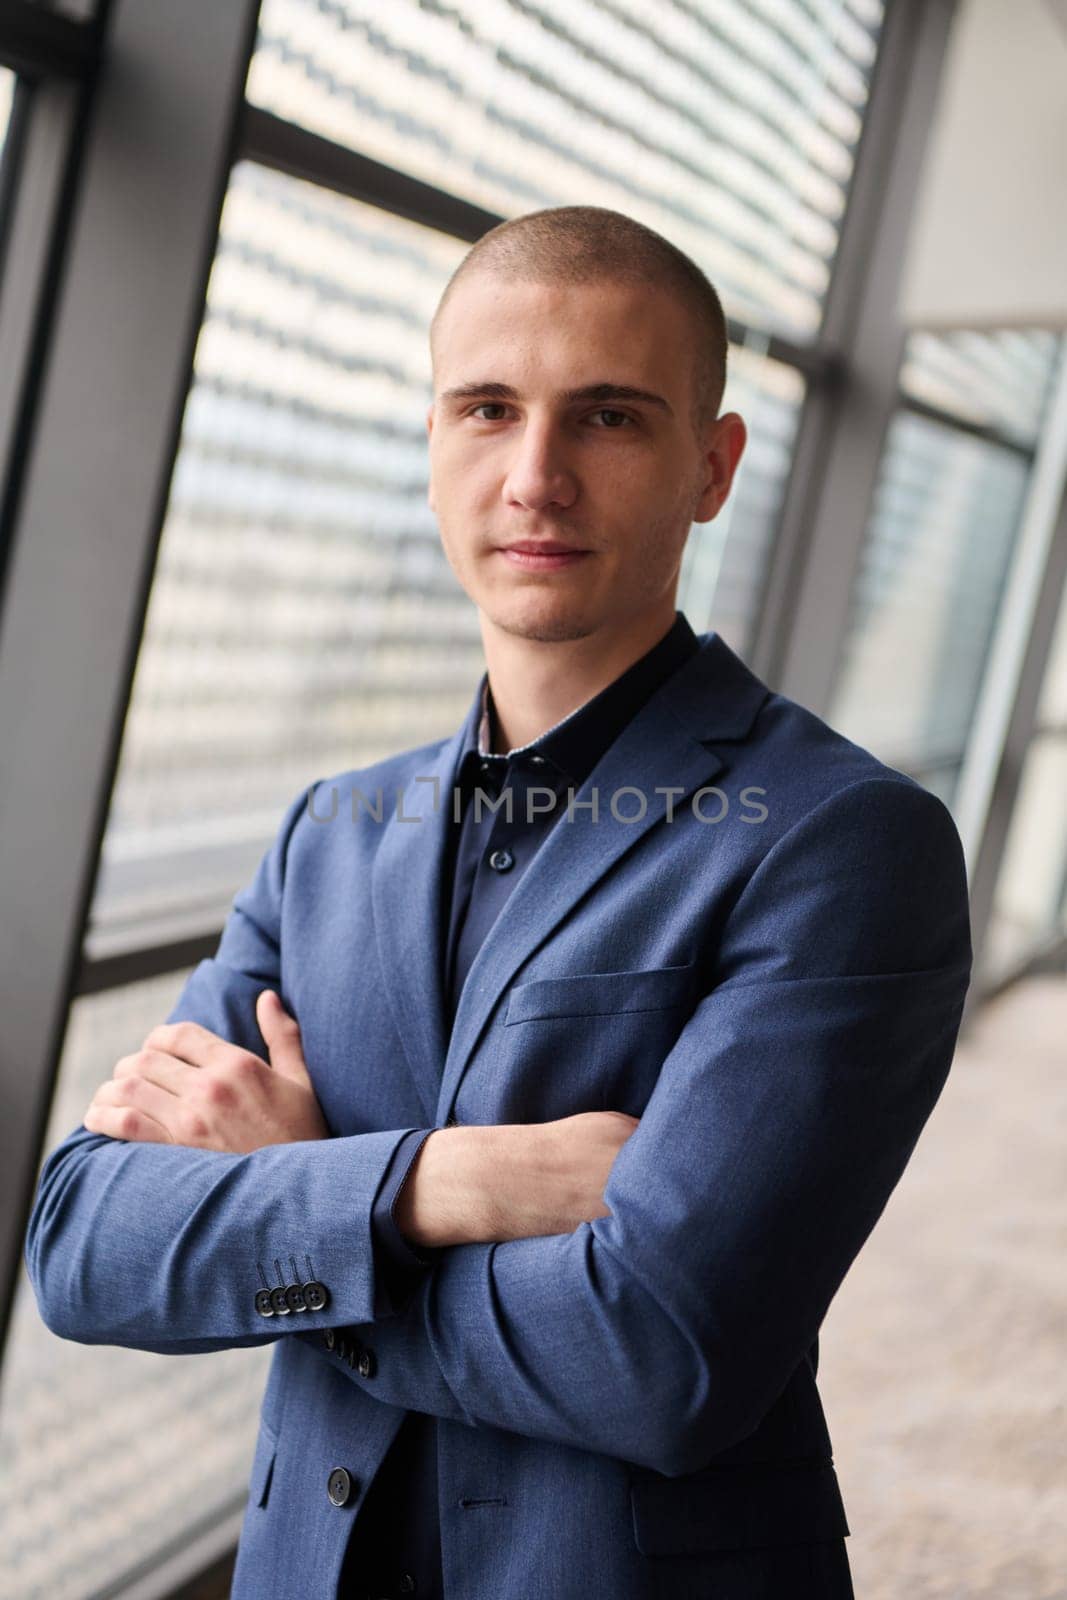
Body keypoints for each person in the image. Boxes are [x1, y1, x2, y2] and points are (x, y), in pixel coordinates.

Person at [24, 205, 973, 1600]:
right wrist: (444, 1183)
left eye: (607, 419)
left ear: (712, 470)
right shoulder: (329, 834)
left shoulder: (845, 843)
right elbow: (84, 1246)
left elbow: (661, 1354)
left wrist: (298, 1209)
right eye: (486, 409)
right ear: (432, 444)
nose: (535, 477)